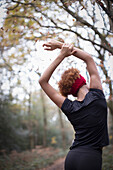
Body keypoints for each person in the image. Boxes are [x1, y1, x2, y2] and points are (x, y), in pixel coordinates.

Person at [39, 39, 109, 170]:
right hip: (90, 158)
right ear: (82, 81)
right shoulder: (97, 95)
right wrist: (60, 46)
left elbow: (43, 81)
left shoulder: (69, 107)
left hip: (72, 157)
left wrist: (61, 55)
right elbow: (88, 59)